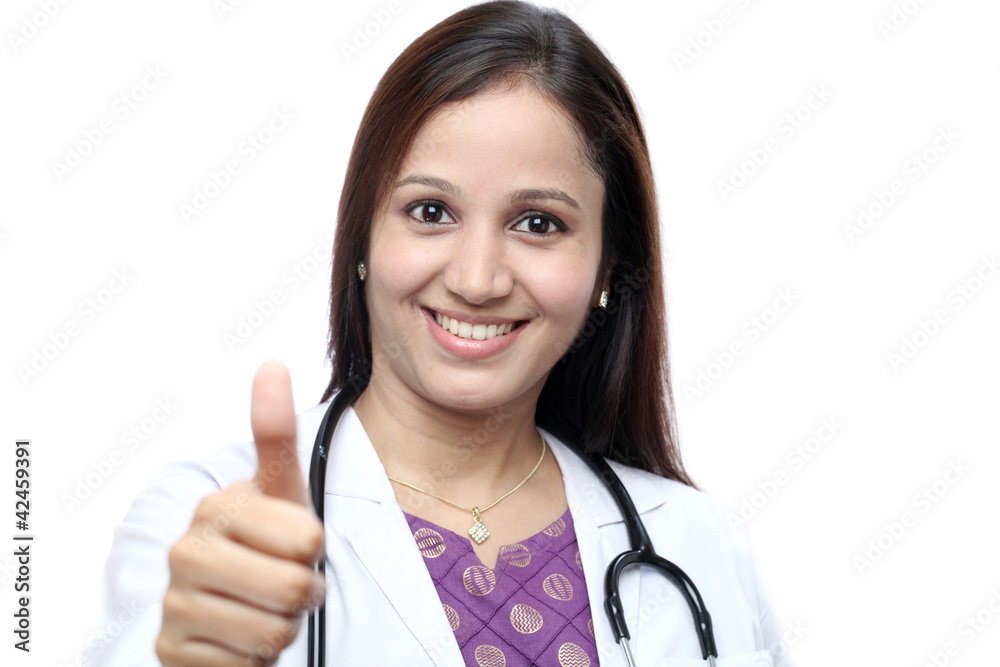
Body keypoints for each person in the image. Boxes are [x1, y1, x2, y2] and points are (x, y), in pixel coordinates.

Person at [86, 2, 789, 665]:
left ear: (607, 265)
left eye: (539, 223)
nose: (477, 279)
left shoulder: (696, 546)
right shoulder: (213, 516)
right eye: (430, 210)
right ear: (362, 236)